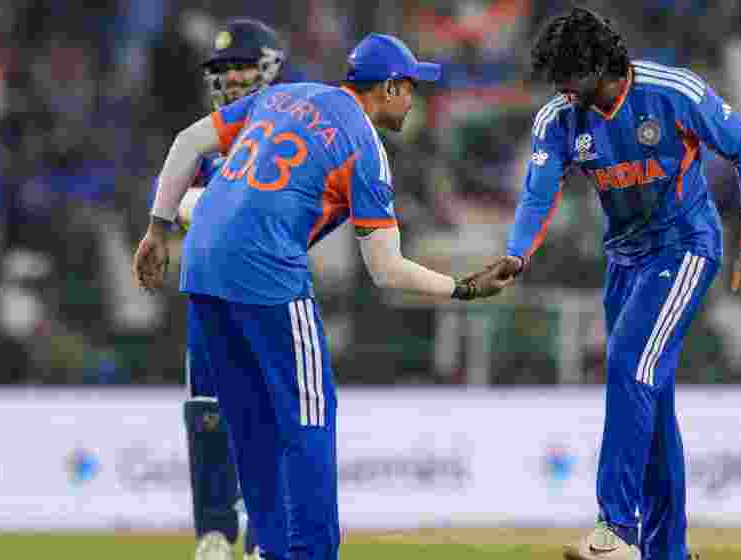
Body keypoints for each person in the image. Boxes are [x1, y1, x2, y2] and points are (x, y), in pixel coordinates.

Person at [132, 33, 513, 560]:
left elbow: (187, 142)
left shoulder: (282, 95)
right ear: (389, 87)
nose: (413, 99)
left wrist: (157, 229)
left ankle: (270, 549)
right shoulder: (365, 146)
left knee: (250, 422)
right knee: (309, 417)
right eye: (410, 88)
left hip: (201, 267)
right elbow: (386, 270)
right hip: (267, 270)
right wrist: (463, 288)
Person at [493, 8, 741, 560]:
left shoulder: (671, 92)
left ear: (600, 66)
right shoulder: (559, 118)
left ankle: (617, 530)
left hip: (685, 247)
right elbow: (538, 192)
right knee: (651, 399)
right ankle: (668, 551)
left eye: (569, 77)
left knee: (628, 362)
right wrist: (516, 254)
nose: (561, 90)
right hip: (624, 261)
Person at [172, 18, 287, 560]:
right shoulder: (203, 139)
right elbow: (172, 205)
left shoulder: (291, 133)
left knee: (273, 414)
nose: (232, 78)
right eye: (223, 69)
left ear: (269, 68)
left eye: (241, 65)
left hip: (272, 297)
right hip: (210, 298)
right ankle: (214, 532)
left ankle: (267, 534)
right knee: (207, 412)